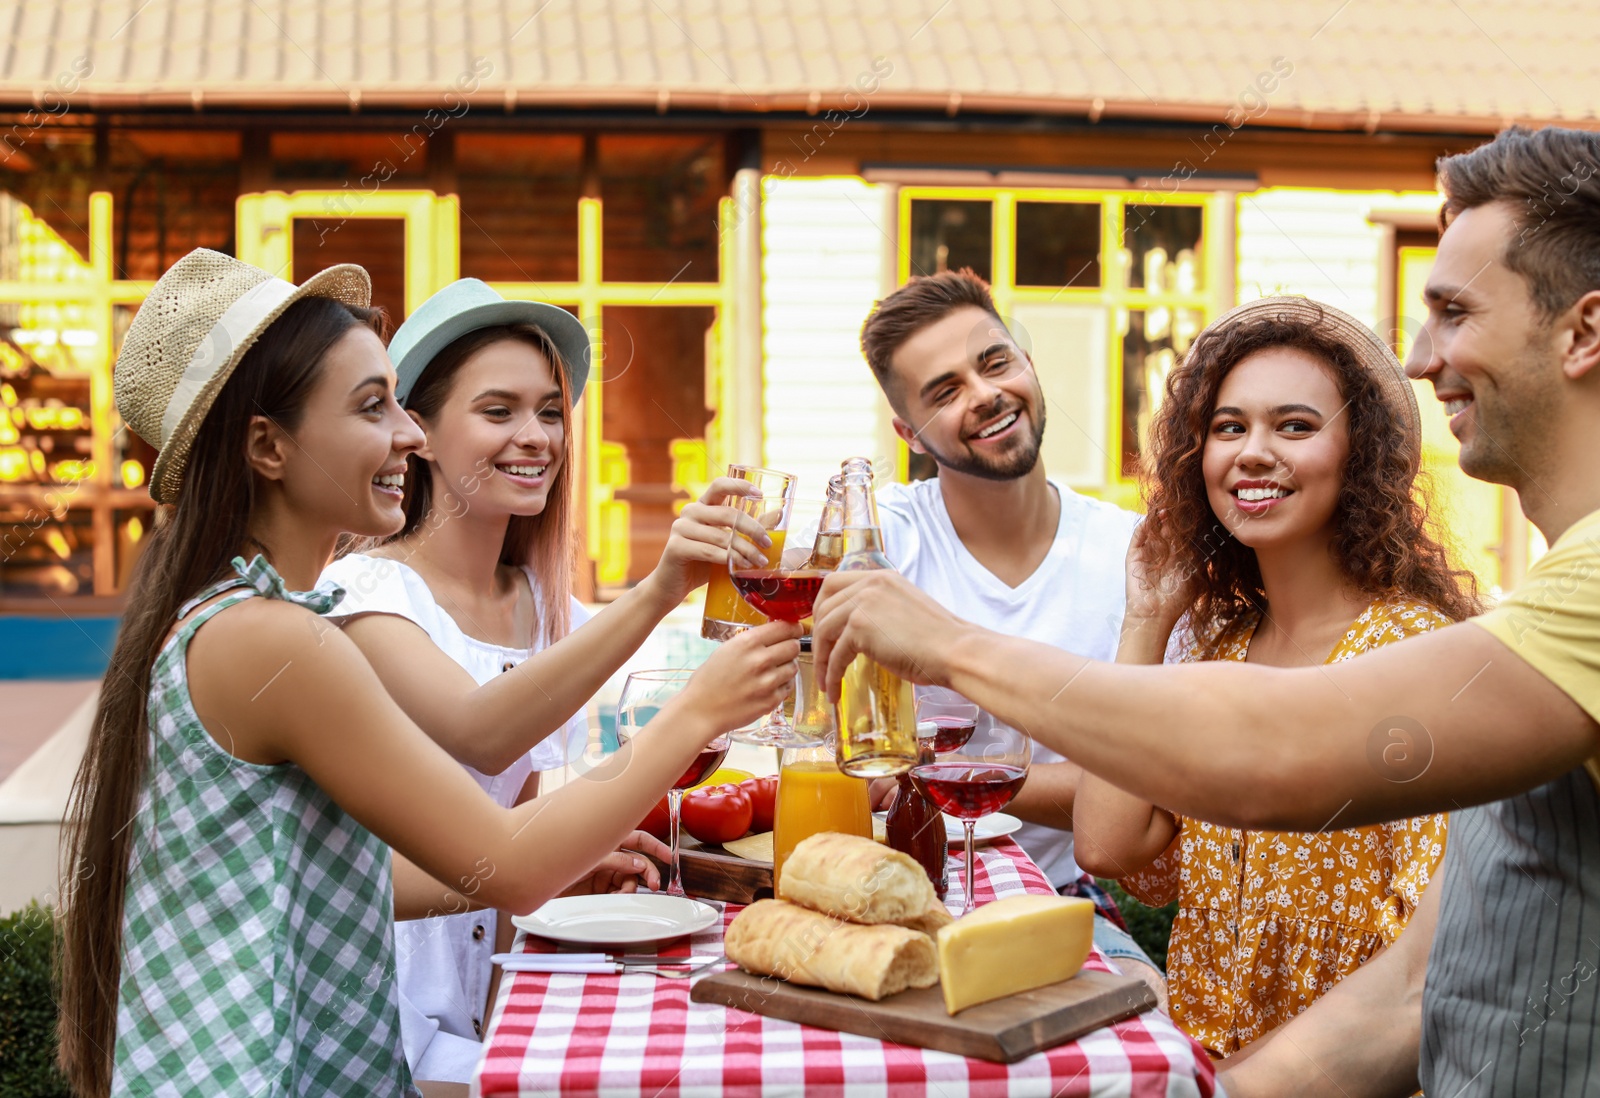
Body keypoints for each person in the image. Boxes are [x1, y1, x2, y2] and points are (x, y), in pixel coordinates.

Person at [812, 124, 1600, 1097]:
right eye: (1226, 427)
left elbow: (1272, 754)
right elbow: (1407, 986)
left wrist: (948, 648)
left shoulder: (1497, 623)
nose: (1423, 355)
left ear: (1583, 331)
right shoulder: (1236, 633)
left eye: (1451, 311)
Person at [55, 250, 801, 1098]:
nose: (408, 435)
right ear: (267, 446)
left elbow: (326, 867)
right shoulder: (276, 640)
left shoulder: (244, 619)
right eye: (375, 407)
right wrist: (695, 713)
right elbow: (508, 860)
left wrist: (563, 858)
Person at [317, 280, 776, 1082]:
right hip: (379, 1006)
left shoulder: (540, 603)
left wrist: (577, 854)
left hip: (490, 991)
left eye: (550, 412)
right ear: (417, 430)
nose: (536, 437)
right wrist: (661, 589)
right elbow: (482, 731)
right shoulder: (365, 594)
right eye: (498, 412)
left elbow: (517, 805)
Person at [1074, 296, 1476, 1058]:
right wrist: (1146, 623)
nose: (1253, 452)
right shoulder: (1221, 648)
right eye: (1230, 428)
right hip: (1199, 1065)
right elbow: (1106, 843)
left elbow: (1421, 972)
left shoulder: (1415, 658)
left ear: (1359, 456)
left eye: (1294, 426)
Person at [854, 269, 1163, 997]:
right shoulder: (884, 541)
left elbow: (1144, 788)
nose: (985, 393)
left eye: (995, 363)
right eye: (944, 390)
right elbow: (838, 762)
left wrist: (931, 779)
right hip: (892, 896)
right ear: (910, 434)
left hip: (1060, 901)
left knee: (1147, 1037)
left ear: (1026, 366)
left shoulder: (1134, 558)